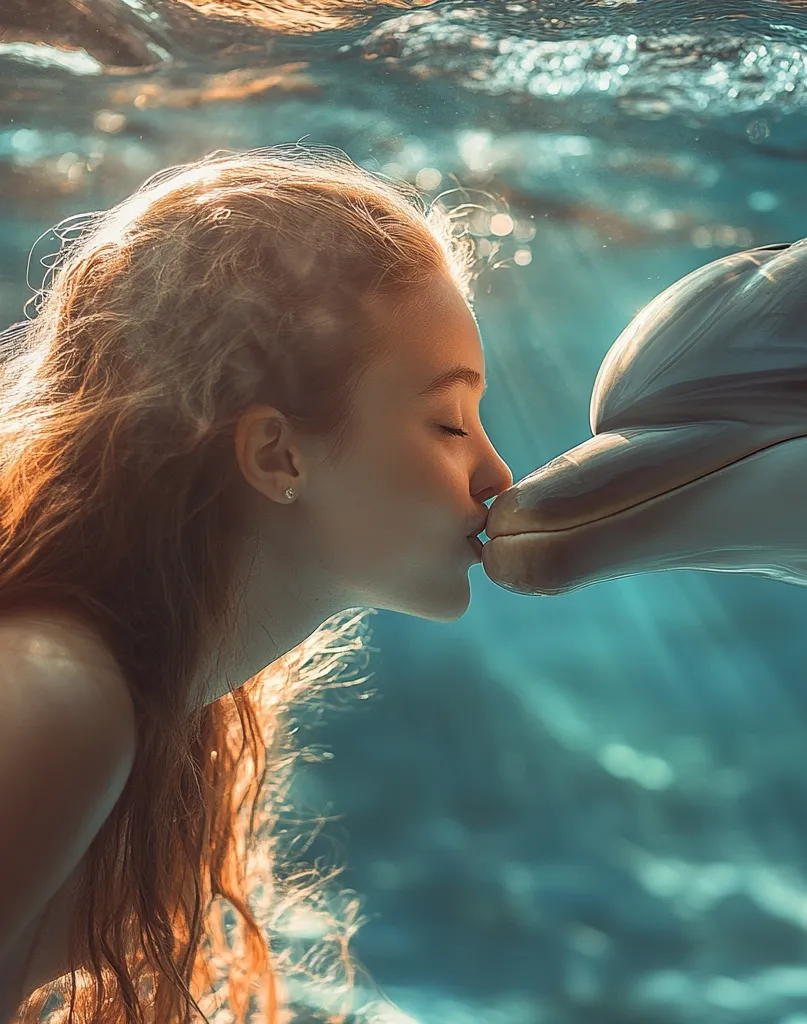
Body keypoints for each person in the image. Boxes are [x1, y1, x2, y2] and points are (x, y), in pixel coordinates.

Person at [0, 143, 513, 1024]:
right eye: (447, 422)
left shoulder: (164, 699)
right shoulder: (59, 692)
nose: (499, 475)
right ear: (277, 453)